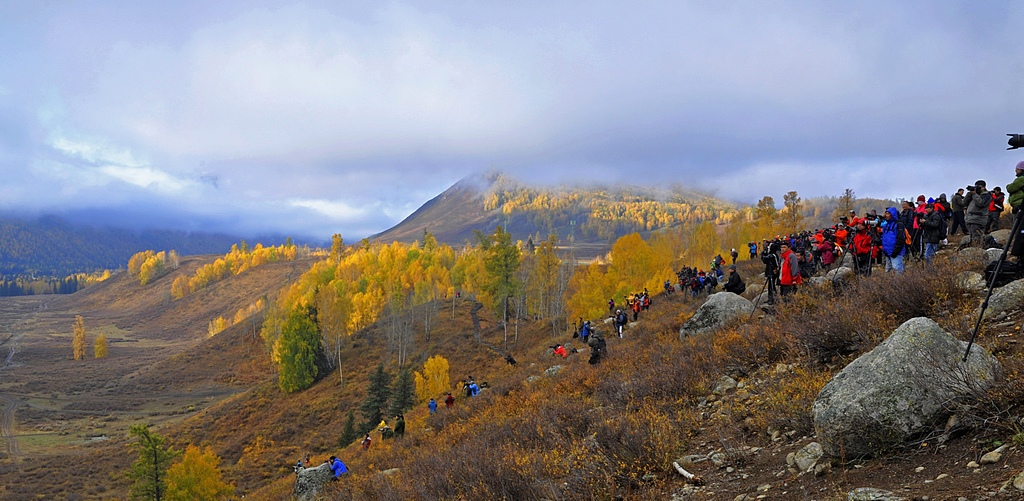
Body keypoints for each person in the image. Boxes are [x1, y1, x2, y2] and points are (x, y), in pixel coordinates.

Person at [964, 181, 992, 246]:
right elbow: (963, 203)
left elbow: (981, 203)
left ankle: (978, 249)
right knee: (972, 236)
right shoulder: (975, 195)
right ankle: (974, 248)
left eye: (979, 187)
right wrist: (969, 194)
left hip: (978, 219)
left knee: (977, 236)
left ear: (984, 187)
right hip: (971, 218)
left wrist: (974, 194)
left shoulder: (986, 195)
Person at [881, 207, 907, 274]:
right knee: (888, 273)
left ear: (892, 214)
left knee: (898, 271)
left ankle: (900, 284)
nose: (886, 215)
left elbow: (901, 239)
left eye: (888, 213)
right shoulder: (886, 226)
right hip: (887, 253)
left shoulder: (898, 225)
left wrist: (895, 252)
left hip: (896, 253)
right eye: (886, 213)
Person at [1007, 161, 1024, 259]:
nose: (1015, 171)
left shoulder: (1021, 179)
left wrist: (1008, 186)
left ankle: (1017, 251)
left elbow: (1010, 188)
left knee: (1017, 229)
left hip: (1020, 207)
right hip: (1019, 206)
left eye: (1016, 169)